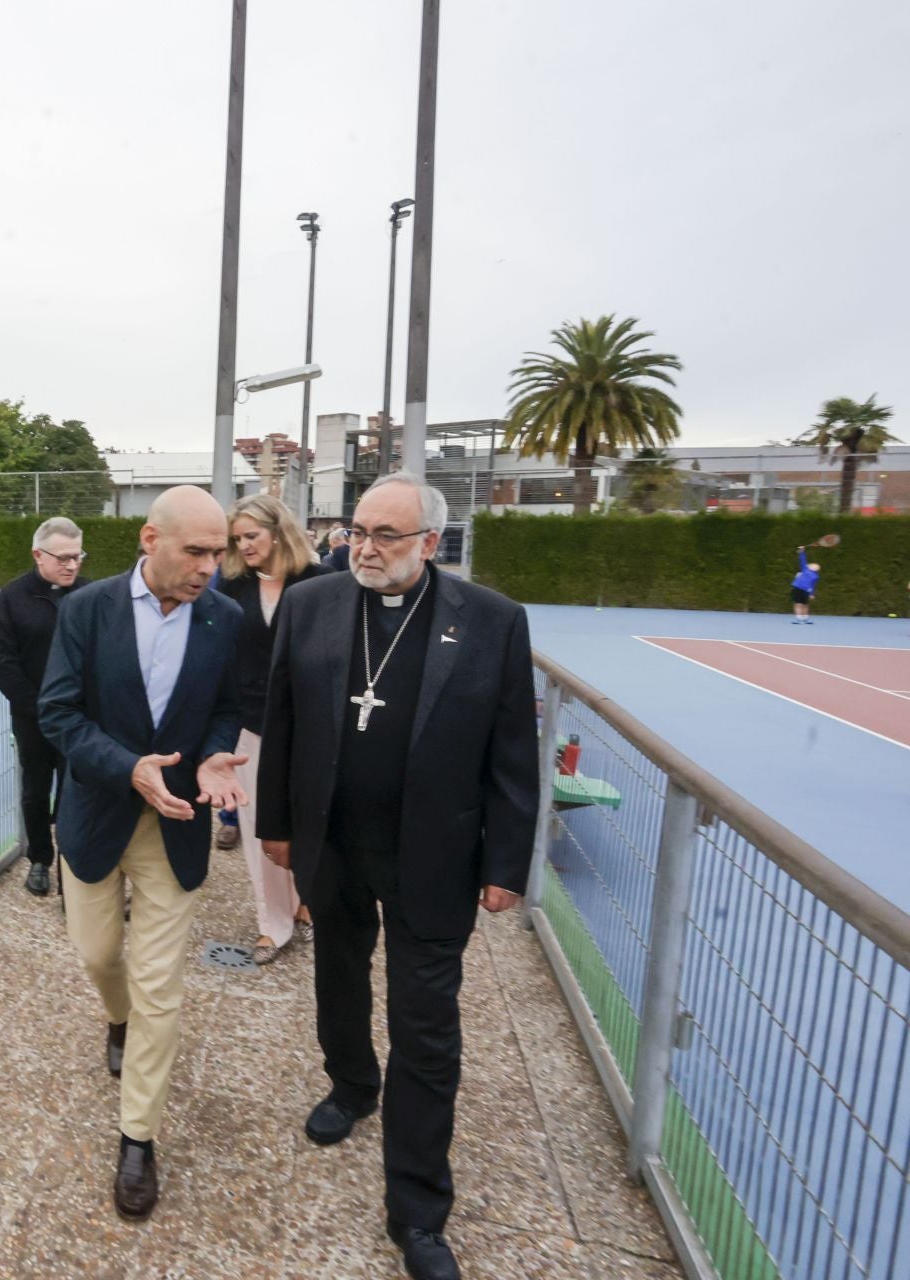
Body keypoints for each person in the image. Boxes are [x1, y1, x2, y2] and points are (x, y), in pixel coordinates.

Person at [255, 472, 538, 1280]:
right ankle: (350, 1086)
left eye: (384, 536)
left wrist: (507, 864)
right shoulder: (311, 606)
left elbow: (514, 756)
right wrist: (275, 826)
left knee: (426, 1026)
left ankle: (417, 1210)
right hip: (333, 842)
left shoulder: (491, 623)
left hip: (434, 856)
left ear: (429, 544)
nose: (363, 547)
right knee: (338, 978)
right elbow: (282, 719)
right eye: (357, 530)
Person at [39, 486, 248, 1221]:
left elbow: (230, 706)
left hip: (178, 825)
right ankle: (114, 1017)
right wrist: (129, 767)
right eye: (196, 552)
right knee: (100, 957)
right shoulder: (85, 610)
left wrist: (218, 754)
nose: (210, 568)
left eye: (219, 553)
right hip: (98, 817)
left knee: (161, 985)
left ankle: (138, 1137)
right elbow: (57, 713)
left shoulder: (227, 618)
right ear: (148, 539)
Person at [214, 492, 325, 965]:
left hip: (311, 728)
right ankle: (271, 926)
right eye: (237, 539)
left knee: (309, 823)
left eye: (251, 536)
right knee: (259, 828)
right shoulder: (231, 587)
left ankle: (307, 901)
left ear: (279, 532)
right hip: (250, 727)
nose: (244, 546)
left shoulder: (322, 583)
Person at [0, 517, 91, 896]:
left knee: (75, 791)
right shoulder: (12, 597)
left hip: (80, 721)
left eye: (77, 556)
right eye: (63, 557)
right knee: (35, 791)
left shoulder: (90, 596)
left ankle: (71, 863)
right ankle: (40, 860)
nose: (71, 564)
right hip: (32, 720)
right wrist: (39, 709)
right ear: (38, 555)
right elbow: (5, 664)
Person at [791, 547, 820, 624]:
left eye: (812, 565)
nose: (810, 564)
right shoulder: (808, 571)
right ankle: (801, 619)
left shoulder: (810, 572)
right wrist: (802, 551)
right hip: (799, 589)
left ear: (815, 569)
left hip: (802, 590)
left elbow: (813, 586)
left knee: (802, 605)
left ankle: (803, 619)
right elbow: (803, 560)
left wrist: (812, 594)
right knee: (801, 604)